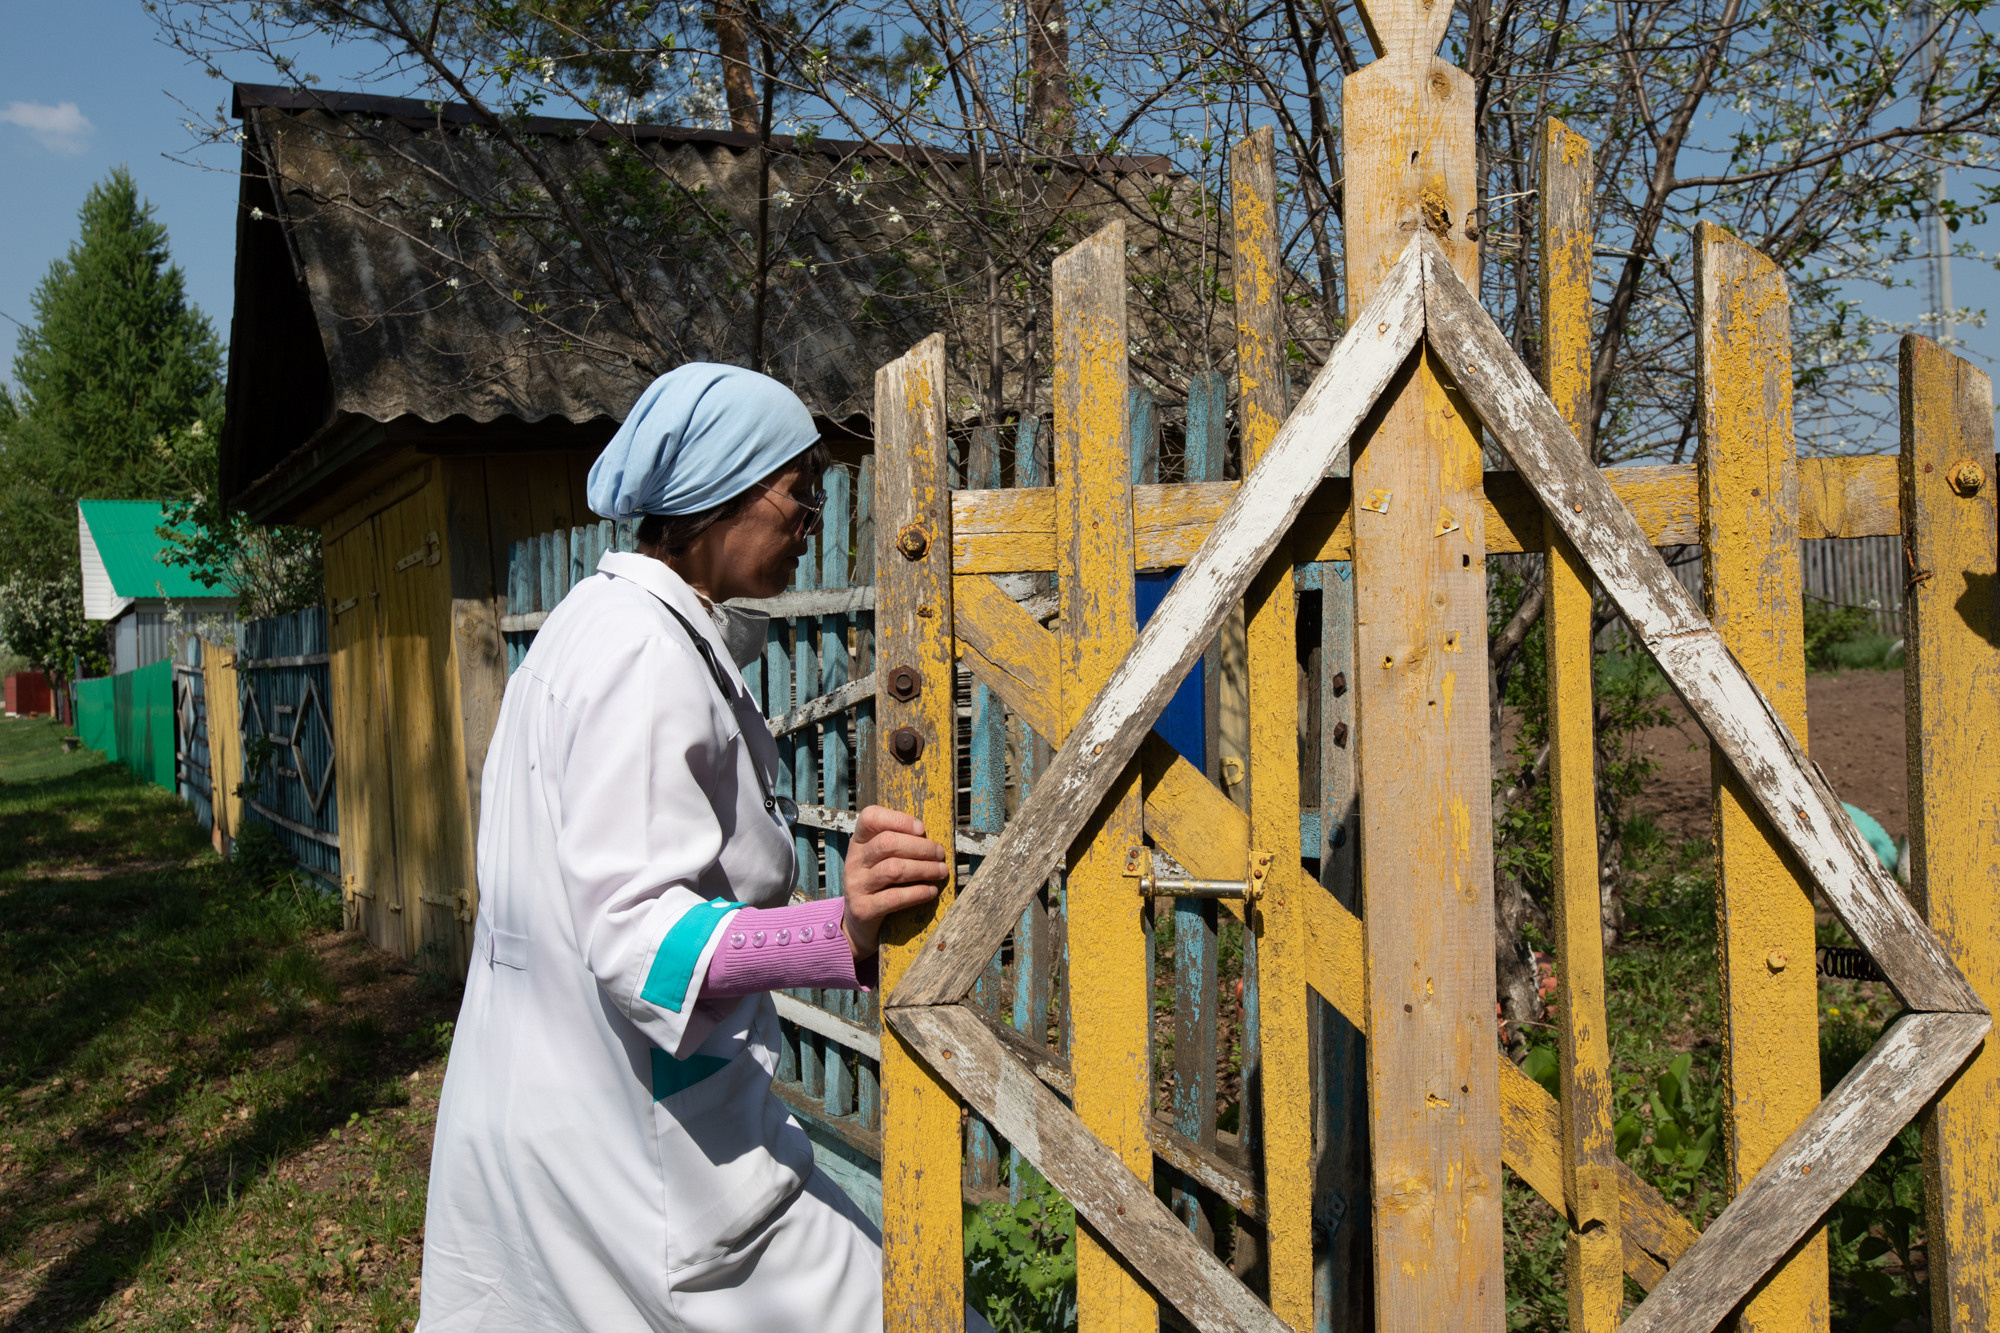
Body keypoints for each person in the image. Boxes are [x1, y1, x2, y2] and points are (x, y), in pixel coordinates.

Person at [418, 363, 977, 1332]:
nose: (812, 521)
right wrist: (840, 933)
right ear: (722, 493)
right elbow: (642, 938)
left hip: (541, 1118)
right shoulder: (643, 653)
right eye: (798, 492)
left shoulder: (584, 626)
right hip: (642, 1154)